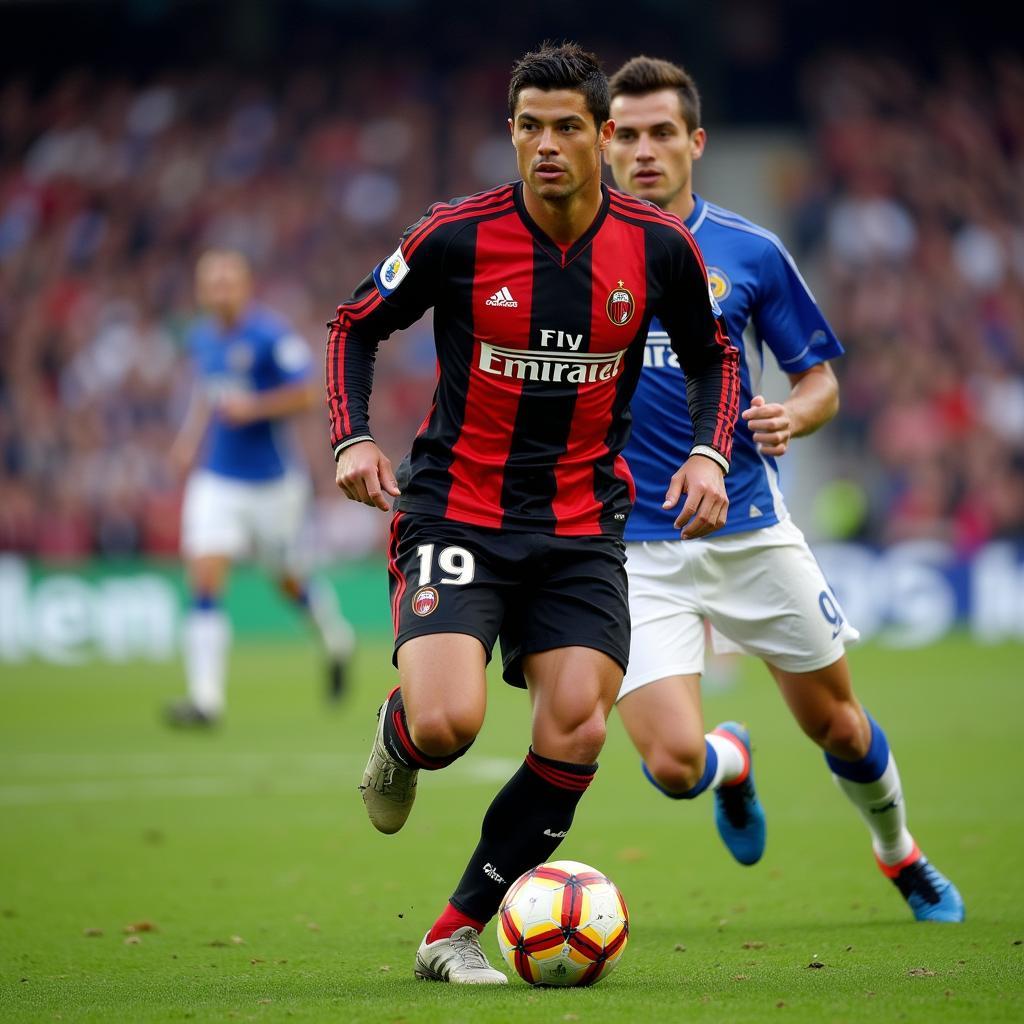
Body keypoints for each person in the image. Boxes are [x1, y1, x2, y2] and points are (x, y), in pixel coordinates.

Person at [326, 43, 739, 983]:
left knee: (579, 730)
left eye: (565, 127)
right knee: (447, 727)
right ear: (510, 133)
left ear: (601, 135)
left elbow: (715, 352)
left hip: (584, 525)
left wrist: (711, 452)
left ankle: (453, 930)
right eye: (527, 127)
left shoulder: (658, 248)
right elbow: (354, 324)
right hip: (458, 513)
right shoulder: (456, 235)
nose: (545, 145)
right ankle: (400, 733)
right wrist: (353, 437)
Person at [604, 56, 963, 921]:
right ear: (605, 145)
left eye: (662, 133)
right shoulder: (574, 258)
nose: (645, 150)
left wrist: (793, 419)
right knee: (675, 767)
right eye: (628, 135)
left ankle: (898, 852)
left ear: (695, 141)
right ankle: (734, 760)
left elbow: (822, 380)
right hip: (629, 545)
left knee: (838, 724)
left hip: (747, 526)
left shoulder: (751, 251)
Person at [167, 249, 355, 726]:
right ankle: (205, 700)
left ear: (246, 286)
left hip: (273, 484)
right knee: (205, 576)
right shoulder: (202, 337)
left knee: (287, 577)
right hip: (217, 479)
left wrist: (252, 408)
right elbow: (207, 394)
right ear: (201, 290)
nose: (220, 290)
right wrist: (189, 442)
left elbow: (307, 391)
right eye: (212, 282)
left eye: (229, 281)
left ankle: (335, 639)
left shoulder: (271, 335)